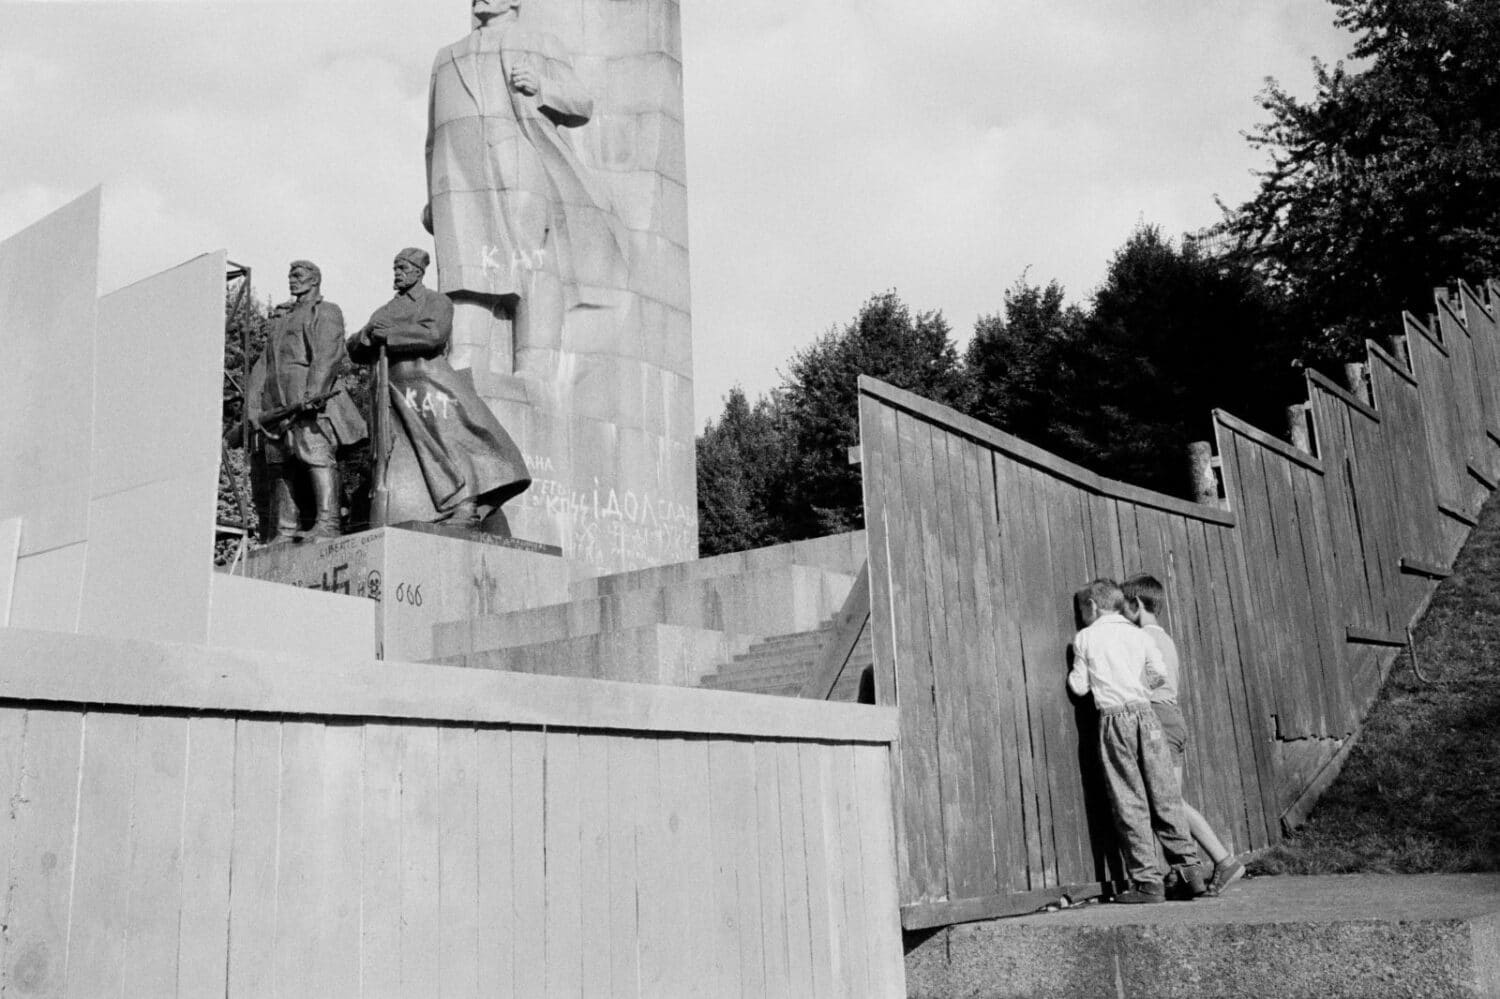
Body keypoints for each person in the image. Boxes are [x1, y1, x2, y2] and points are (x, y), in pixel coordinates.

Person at [423, 0, 628, 377]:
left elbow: (581, 103)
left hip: (518, 167)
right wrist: (431, 193)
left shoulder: (539, 43)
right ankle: (465, 361)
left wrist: (541, 87)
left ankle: (533, 363)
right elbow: (433, 137)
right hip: (458, 179)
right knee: (465, 273)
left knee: (530, 263)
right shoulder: (445, 57)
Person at [347, 248, 530, 531]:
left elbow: (433, 335)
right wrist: (367, 336)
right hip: (392, 391)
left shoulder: (437, 301)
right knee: (407, 457)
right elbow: (355, 346)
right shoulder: (386, 310)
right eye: (395, 268)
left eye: (403, 268)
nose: (397, 273)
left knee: (449, 444)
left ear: (418, 272)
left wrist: (390, 336)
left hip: (430, 383)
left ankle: (465, 507)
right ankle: (430, 511)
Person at [1069, 578, 1207, 903]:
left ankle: (1148, 882)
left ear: (1092, 606)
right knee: (1165, 795)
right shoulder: (1139, 635)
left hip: (1115, 719)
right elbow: (1159, 676)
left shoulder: (1086, 638)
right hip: (1148, 715)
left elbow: (1079, 686)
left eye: (1082, 610)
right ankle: (1190, 870)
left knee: (1130, 800)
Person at [1122, 573, 1246, 896]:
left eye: (1124, 609)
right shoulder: (1165, 638)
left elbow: (1140, 684)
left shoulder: (1143, 640)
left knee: (1170, 804)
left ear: (1136, 605)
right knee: (1170, 802)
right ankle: (1183, 872)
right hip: (1173, 717)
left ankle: (1222, 860)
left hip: (1159, 718)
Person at [246, 260, 366, 543]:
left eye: (298, 275)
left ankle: (328, 522)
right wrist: (253, 405)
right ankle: (284, 530)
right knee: (280, 465)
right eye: (290, 276)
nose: (292, 280)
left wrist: (314, 393)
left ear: (314, 280)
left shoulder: (326, 311)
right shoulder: (283, 320)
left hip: (306, 401)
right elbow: (262, 365)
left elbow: (328, 354)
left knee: (317, 457)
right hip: (275, 404)